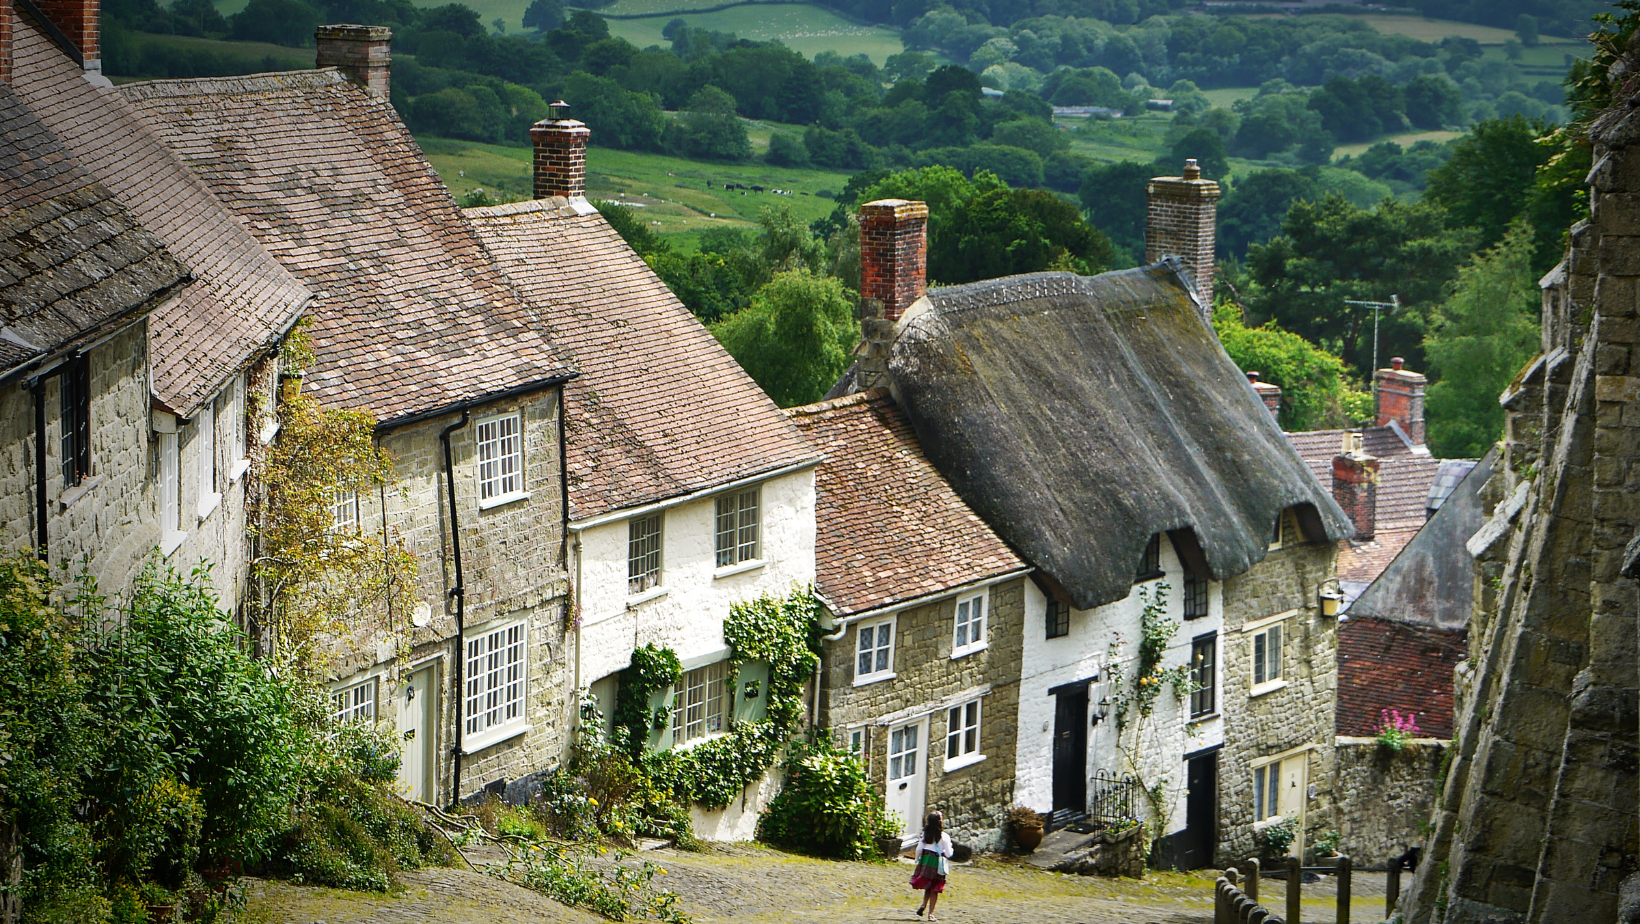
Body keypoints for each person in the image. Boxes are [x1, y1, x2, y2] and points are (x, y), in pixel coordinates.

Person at [910, 811, 953, 921]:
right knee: (935, 888)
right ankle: (931, 914)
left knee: (928, 885)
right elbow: (949, 853)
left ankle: (923, 905)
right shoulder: (944, 837)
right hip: (937, 862)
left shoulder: (926, 835)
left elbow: (919, 848)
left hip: (926, 860)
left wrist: (917, 859)